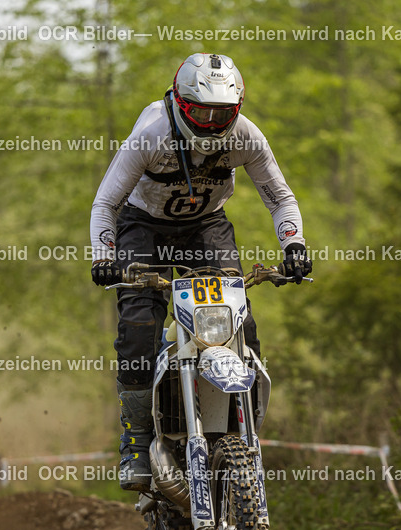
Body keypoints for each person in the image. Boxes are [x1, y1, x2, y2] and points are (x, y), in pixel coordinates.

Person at [89, 52, 311, 491]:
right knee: (138, 324)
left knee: (239, 321)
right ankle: (136, 439)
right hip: (142, 227)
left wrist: (294, 246)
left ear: (238, 109)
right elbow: (106, 204)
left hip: (205, 228)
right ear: (180, 102)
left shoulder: (246, 136)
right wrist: (104, 255)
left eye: (222, 113)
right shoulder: (150, 135)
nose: (211, 123)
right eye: (202, 112)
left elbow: (280, 197)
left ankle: (236, 429)